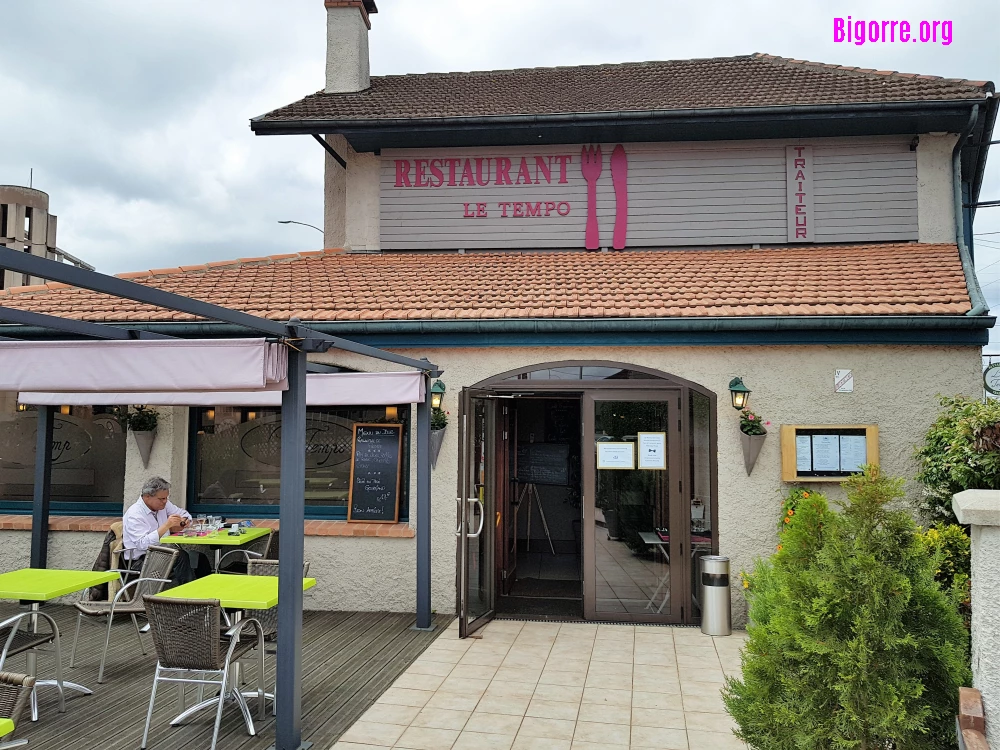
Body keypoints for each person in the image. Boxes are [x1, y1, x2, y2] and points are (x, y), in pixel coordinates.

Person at [122, 476, 199, 585]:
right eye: (161, 499)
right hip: (140, 561)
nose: (165, 501)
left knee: (199, 558)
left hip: (162, 552)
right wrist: (166, 526)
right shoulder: (134, 514)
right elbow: (142, 544)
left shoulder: (164, 505)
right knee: (180, 556)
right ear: (147, 497)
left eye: (166, 498)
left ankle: (204, 594)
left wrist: (184, 521)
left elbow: (185, 514)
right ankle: (190, 596)